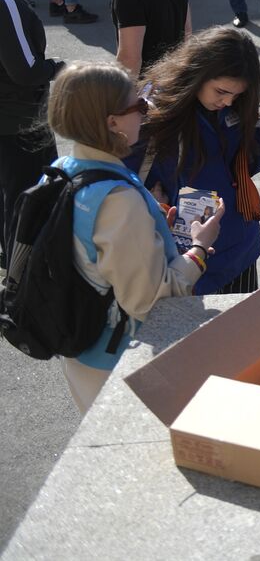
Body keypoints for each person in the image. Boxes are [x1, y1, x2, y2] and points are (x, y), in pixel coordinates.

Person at [45, 62, 222, 414]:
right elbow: (150, 302)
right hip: (122, 361)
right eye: (139, 105)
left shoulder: (64, 171)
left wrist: (150, 224)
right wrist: (199, 249)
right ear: (112, 123)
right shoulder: (119, 202)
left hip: (83, 351)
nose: (147, 111)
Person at [128, 27, 260, 295]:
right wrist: (147, 200)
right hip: (186, 259)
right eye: (221, 91)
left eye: (236, 95)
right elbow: (120, 180)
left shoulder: (234, 106)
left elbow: (238, 170)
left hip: (238, 253)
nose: (227, 102)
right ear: (197, 73)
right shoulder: (153, 115)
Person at [0, 0, 61, 250]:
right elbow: (25, 70)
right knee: (26, 210)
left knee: (12, 206)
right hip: (20, 125)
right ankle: (18, 289)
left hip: (13, 123)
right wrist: (64, 68)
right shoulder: (5, 1)